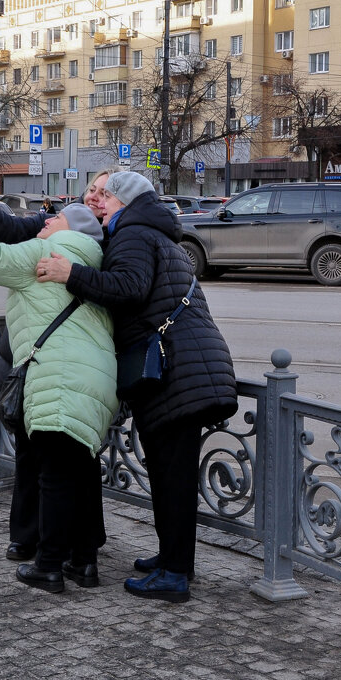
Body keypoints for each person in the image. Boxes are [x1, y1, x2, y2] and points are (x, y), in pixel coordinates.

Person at [35, 171, 237, 603]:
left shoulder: (133, 235)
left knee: (173, 478)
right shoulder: (156, 234)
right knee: (170, 476)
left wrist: (70, 273)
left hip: (174, 374)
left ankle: (175, 573)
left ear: (125, 201)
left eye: (108, 196)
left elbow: (129, 288)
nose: (101, 202)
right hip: (187, 367)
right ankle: (171, 558)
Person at [0, 195, 119, 594]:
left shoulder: (48, 252)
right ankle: (84, 563)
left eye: (57, 218)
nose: (47, 221)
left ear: (75, 228)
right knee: (80, 472)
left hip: (58, 377)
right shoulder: (91, 265)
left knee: (54, 477)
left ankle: (48, 566)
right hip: (96, 380)